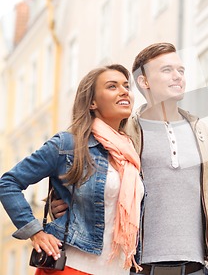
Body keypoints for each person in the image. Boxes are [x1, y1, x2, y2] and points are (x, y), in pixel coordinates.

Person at [0, 64, 144, 275]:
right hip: (73, 267)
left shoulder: (130, 152)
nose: (124, 91)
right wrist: (36, 232)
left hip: (120, 270)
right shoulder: (69, 145)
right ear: (92, 102)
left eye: (126, 86)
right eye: (112, 86)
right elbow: (8, 183)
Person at [126, 43, 208, 275]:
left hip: (195, 269)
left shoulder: (202, 131)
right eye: (167, 70)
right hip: (137, 267)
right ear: (144, 82)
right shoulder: (126, 131)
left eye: (181, 71)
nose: (178, 77)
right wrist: (58, 204)